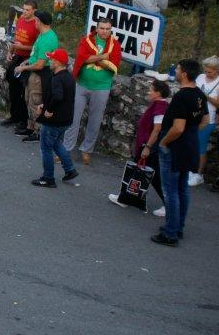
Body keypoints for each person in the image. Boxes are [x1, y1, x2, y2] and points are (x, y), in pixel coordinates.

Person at [152, 60, 207, 246]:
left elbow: (178, 127)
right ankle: (178, 227)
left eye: (177, 69)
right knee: (182, 188)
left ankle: (170, 233)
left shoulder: (182, 97)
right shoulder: (200, 94)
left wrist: (164, 142)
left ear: (184, 74)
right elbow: (205, 120)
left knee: (170, 191)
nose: (175, 71)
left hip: (174, 148)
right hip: (190, 146)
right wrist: (190, 134)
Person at [109, 79, 171, 215]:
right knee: (150, 175)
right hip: (146, 145)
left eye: (151, 90)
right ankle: (125, 198)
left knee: (152, 177)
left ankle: (169, 205)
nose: (148, 92)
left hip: (148, 146)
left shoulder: (160, 106)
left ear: (158, 93)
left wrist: (147, 147)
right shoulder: (158, 104)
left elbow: (157, 129)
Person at [64, 20, 122, 164]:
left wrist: (91, 58)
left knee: (95, 121)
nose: (105, 31)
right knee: (73, 119)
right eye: (102, 28)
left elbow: (114, 65)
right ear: (96, 28)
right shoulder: (86, 40)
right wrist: (102, 57)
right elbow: (82, 57)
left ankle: (87, 150)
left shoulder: (115, 45)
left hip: (102, 87)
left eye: (108, 29)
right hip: (82, 84)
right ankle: (66, 149)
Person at [31, 49, 79, 187]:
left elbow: (57, 96)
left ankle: (48, 178)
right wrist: (44, 105)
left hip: (54, 121)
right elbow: (61, 97)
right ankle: (70, 170)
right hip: (66, 120)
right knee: (56, 142)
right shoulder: (69, 77)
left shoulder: (57, 78)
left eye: (52, 59)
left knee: (46, 148)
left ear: (58, 62)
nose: (50, 61)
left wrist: (48, 110)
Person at [14, 11, 57, 142]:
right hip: (34, 73)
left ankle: (38, 131)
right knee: (29, 100)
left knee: (35, 102)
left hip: (39, 75)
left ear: (39, 21)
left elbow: (40, 64)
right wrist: (27, 61)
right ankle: (31, 127)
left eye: (36, 20)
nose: (34, 23)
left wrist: (23, 68)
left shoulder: (47, 39)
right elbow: (36, 55)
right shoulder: (42, 35)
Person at [1, 1, 39, 130]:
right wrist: (10, 51)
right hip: (17, 55)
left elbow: (37, 47)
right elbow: (15, 39)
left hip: (27, 59)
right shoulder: (21, 20)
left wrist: (22, 47)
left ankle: (23, 119)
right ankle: (14, 116)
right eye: (24, 9)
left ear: (34, 11)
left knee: (23, 90)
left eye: (28, 10)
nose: (24, 12)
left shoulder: (36, 24)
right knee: (12, 85)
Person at [188, 56, 219, 188]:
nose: (206, 73)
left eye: (209, 72)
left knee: (201, 145)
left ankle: (199, 174)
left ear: (217, 70)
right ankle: (190, 169)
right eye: (205, 71)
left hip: (209, 118)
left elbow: (218, 103)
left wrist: (205, 96)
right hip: (194, 115)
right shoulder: (200, 77)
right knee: (191, 143)